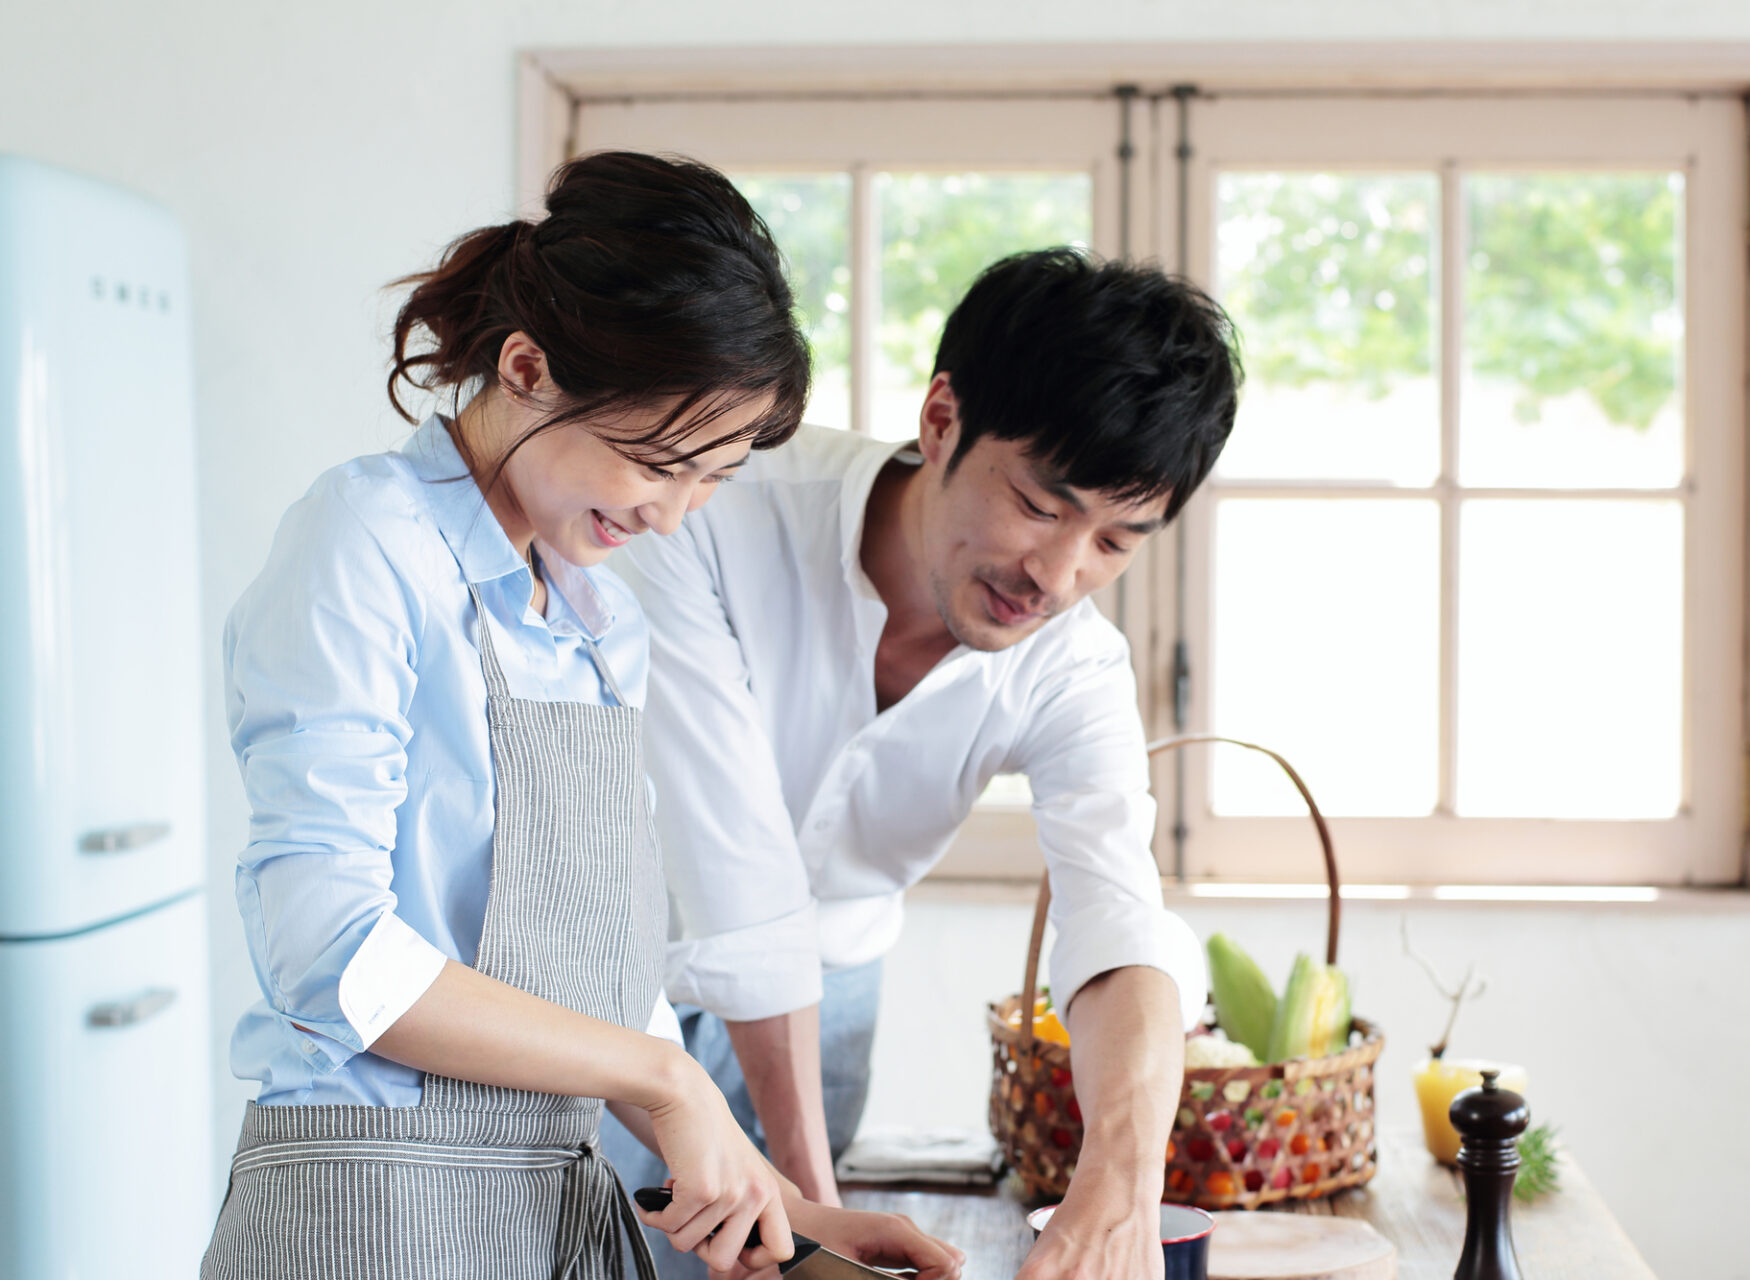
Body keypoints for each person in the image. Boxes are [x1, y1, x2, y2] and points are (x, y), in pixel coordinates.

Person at [202, 151, 962, 1280]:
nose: (669, 514)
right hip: (365, 1207)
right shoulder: (366, 541)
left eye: (711, 479)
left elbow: (600, 986)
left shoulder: (600, 622)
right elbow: (329, 947)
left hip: (544, 1205)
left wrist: (789, 1210)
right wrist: (664, 1076)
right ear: (526, 366)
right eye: (655, 460)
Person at [606, 248, 1241, 1280]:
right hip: (608, 978)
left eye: (1116, 541)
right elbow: (732, 863)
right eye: (1040, 503)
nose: (1058, 573)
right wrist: (811, 1217)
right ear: (941, 418)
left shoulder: (1074, 665)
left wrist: (1120, 1185)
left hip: (834, 994)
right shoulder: (715, 503)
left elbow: (1117, 913)